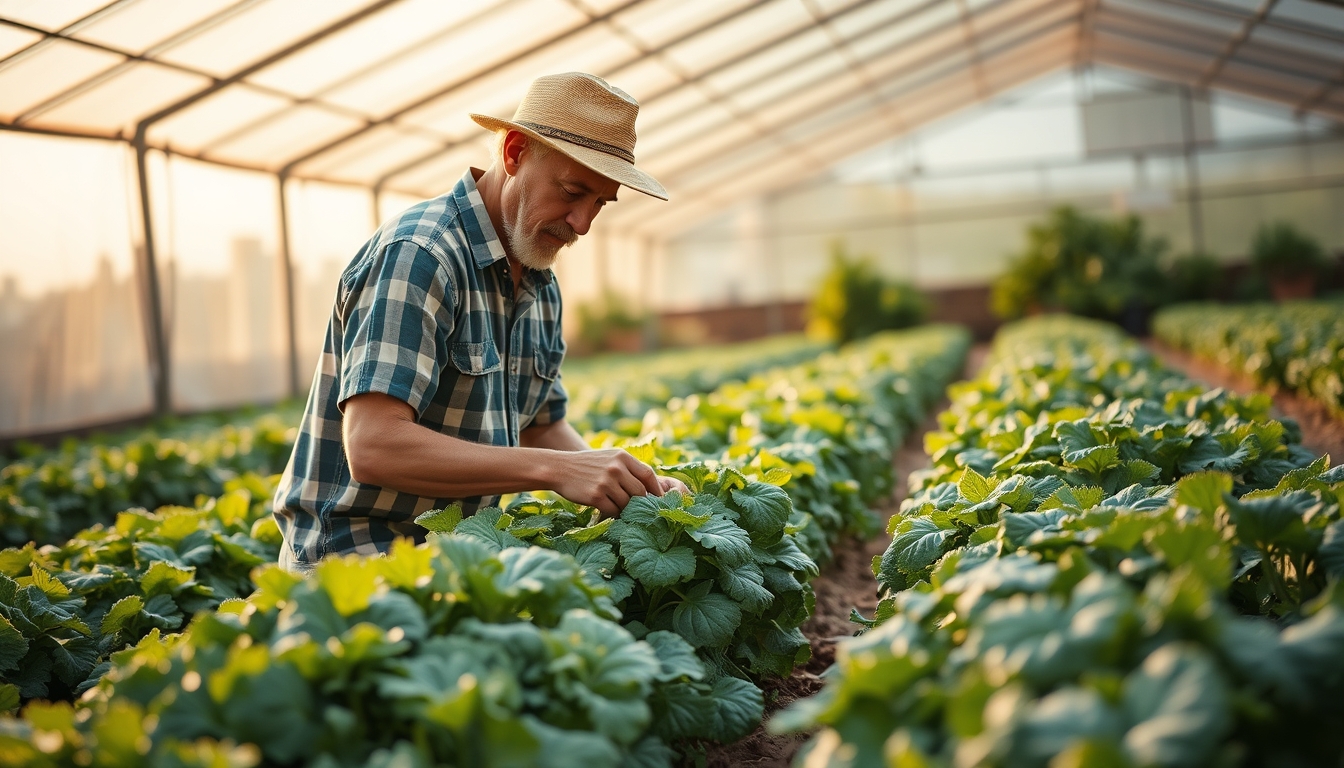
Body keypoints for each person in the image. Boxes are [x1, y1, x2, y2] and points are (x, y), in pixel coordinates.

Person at [272, 72, 684, 573]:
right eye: (573, 192)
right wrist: (557, 471)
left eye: (600, 202)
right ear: (513, 153)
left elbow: (541, 426)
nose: (582, 223)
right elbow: (373, 445)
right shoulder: (421, 256)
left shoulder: (537, 277)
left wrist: (631, 486)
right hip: (353, 559)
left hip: (460, 553)